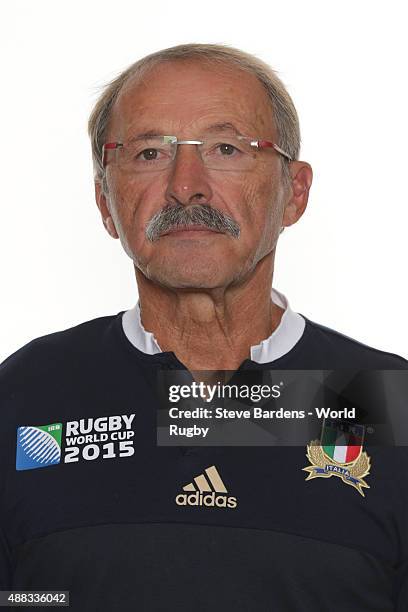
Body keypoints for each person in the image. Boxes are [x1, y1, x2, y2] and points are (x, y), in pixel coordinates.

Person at [0, 43, 407, 611]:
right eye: (147, 152)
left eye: (225, 148)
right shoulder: (23, 397)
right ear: (103, 200)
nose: (185, 185)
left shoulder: (389, 402)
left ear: (295, 193)